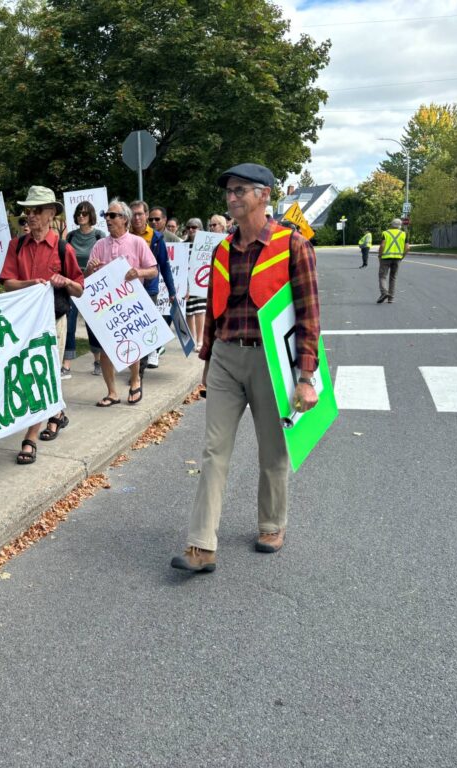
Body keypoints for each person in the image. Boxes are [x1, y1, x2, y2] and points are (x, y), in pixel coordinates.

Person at [171, 163, 320, 574]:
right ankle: (201, 545)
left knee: (272, 450)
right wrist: (206, 360)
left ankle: (272, 524)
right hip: (225, 357)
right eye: (229, 191)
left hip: (271, 361)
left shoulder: (293, 246)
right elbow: (215, 312)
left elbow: (309, 316)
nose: (231, 197)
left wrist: (305, 378)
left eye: (240, 190)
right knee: (213, 450)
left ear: (264, 195)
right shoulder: (222, 250)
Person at [0, 186, 84, 465]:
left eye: (36, 210)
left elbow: (79, 289)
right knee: (26, 374)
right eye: (27, 210)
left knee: (40, 374)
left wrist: (65, 282)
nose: (30, 215)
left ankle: (30, 438)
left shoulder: (63, 247)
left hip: (54, 319)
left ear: (50, 213)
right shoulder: (17, 245)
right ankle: (57, 413)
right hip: (22, 322)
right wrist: (29, 283)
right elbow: (8, 283)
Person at [86, 199, 158, 407]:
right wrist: (90, 269)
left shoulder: (137, 243)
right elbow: (87, 278)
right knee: (106, 348)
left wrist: (139, 272)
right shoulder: (100, 245)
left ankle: (135, 379)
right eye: (106, 216)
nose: (107, 219)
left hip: (130, 304)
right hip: (106, 305)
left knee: (130, 345)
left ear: (124, 219)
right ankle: (112, 392)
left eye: (112, 215)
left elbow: (153, 269)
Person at [128, 200, 176, 372]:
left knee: (144, 327)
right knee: (131, 329)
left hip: (149, 289)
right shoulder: (125, 235)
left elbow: (164, 266)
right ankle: (134, 365)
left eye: (140, 214)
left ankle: (139, 371)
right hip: (128, 290)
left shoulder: (156, 238)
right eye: (133, 214)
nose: (137, 218)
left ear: (146, 215)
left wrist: (172, 292)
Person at [63, 200, 105, 378]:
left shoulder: (99, 236)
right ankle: (66, 365)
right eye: (79, 212)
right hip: (73, 284)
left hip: (93, 287)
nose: (81, 215)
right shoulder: (70, 237)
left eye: (85, 213)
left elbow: (104, 261)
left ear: (91, 216)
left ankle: (98, 361)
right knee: (69, 325)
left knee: (93, 325)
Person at [183, 217, 208, 351]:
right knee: (189, 312)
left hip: (200, 282)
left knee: (200, 311)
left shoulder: (206, 245)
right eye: (189, 227)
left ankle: (200, 340)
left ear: (200, 228)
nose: (191, 230)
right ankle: (192, 339)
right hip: (186, 284)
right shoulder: (183, 245)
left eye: (194, 227)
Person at [376, 218, 407, 303]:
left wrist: (380, 255)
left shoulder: (385, 233)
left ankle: (384, 292)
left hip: (385, 258)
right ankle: (391, 298)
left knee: (382, 276)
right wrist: (402, 256)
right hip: (397, 258)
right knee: (393, 277)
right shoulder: (404, 234)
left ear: (391, 225)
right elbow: (407, 247)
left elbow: (382, 245)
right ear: (400, 226)